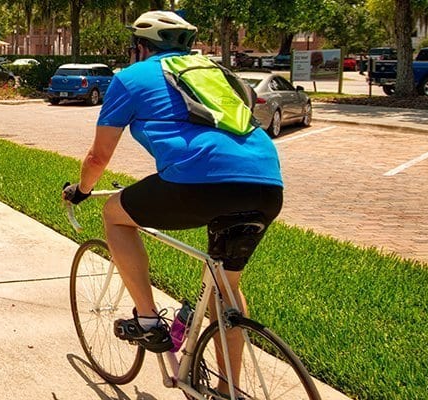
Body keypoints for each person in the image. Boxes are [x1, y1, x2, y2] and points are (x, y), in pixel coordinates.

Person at [61, 10, 283, 394]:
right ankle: (227, 389)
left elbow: (98, 158)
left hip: (198, 184)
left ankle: (148, 321)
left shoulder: (131, 78)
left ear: (141, 47)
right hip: (266, 185)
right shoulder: (217, 74)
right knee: (224, 290)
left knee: (115, 214)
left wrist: (80, 190)